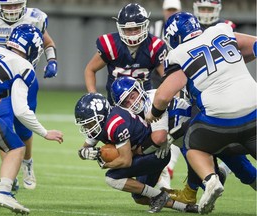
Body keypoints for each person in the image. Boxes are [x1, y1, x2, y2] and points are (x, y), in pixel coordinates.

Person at [145, 12, 256, 214]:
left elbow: (163, 95)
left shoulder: (177, 53)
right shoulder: (220, 30)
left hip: (219, 118)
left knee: (191, 143)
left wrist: (153, 113)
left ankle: (210, 179)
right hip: (254, 109)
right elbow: (254, 46)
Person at [0, 24, 63, 214]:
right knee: (16, 147)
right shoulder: (24, 66)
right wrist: (45, 133)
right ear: (33, 49)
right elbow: (21, 111)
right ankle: (3, 192)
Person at [74, 92, 198, 213]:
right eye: (86, 124)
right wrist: (84, 153)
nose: (88, 128)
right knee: (140, 197)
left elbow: (126, 161)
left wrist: (105, 164)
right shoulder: (102, 123)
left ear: (100, 117)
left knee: (112, 179)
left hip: (154, 154)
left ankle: (161, 195)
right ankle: (184, 207)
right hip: (145, 154)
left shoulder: (115, 124)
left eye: (90, 123)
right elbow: (82, 149)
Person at [84, 3, 167, 106]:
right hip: (116, 103)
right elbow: (90, 70)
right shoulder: (111, 45)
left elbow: (168, 77)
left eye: (137, 28)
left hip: (144, 103)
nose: (133, 33)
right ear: (121, 29)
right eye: (129, 29)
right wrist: (94, 95)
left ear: (144, 26)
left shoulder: (154, 46)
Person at [149, 0, 183, 187]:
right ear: (163, 11)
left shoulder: (183, 28)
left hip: (179, 78)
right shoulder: (156, 28)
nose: (170, 13)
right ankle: (161, 168)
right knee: (158, 125)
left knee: (177, 123)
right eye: (168, 10)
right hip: (159, 79)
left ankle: (168, 166)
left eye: (173, 10)